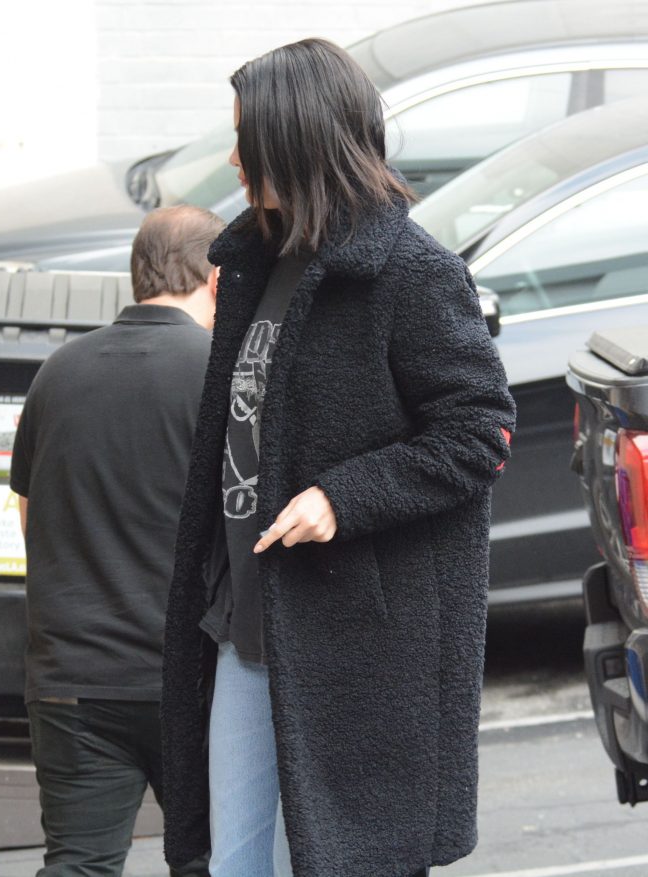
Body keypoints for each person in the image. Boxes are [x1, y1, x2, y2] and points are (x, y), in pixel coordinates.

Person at [159, 39, 516, 877]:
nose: (236, 159)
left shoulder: (410, 273)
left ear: (294, 138)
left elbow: (479, 430)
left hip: (355, 643)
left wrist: (341, 497)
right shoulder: (253, 263)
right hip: (244, 622)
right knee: (231, 865)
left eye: (246, 137)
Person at [10, 205, 222, 877]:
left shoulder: (58, 371)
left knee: (77, 864)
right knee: (212, 860)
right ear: (216, 278)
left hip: (71, 679)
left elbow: (29, 516)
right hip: (191, 679)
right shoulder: (218, 373)